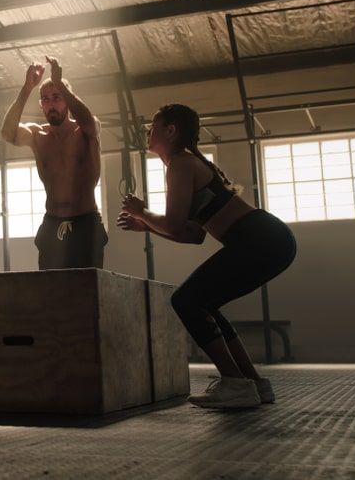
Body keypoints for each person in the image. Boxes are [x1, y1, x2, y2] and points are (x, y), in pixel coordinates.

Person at [117, 103, 296, 409]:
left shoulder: (180, 163)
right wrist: (145, 225)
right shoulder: (185, 164)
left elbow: (174, 225)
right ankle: (252, 382)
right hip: (269, 240)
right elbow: (193, 234)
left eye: (154, 125)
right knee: (205, 302)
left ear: (170, 130)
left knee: (186, 299)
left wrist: (142, 211)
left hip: (261, 239)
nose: (148, 131)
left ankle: (235, 382)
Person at [1, 56, 107, 269]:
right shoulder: (37, 134)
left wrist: (60, 83)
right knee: (50, 293)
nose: (51, 104)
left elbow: (91, 125)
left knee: (86, 291)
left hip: (85, 223)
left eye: (57, 97)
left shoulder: (85, 129)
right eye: (46, 99)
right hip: (52, 223)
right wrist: (27, 88)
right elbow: (8, 133)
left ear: (67, 101)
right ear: (41, 106)